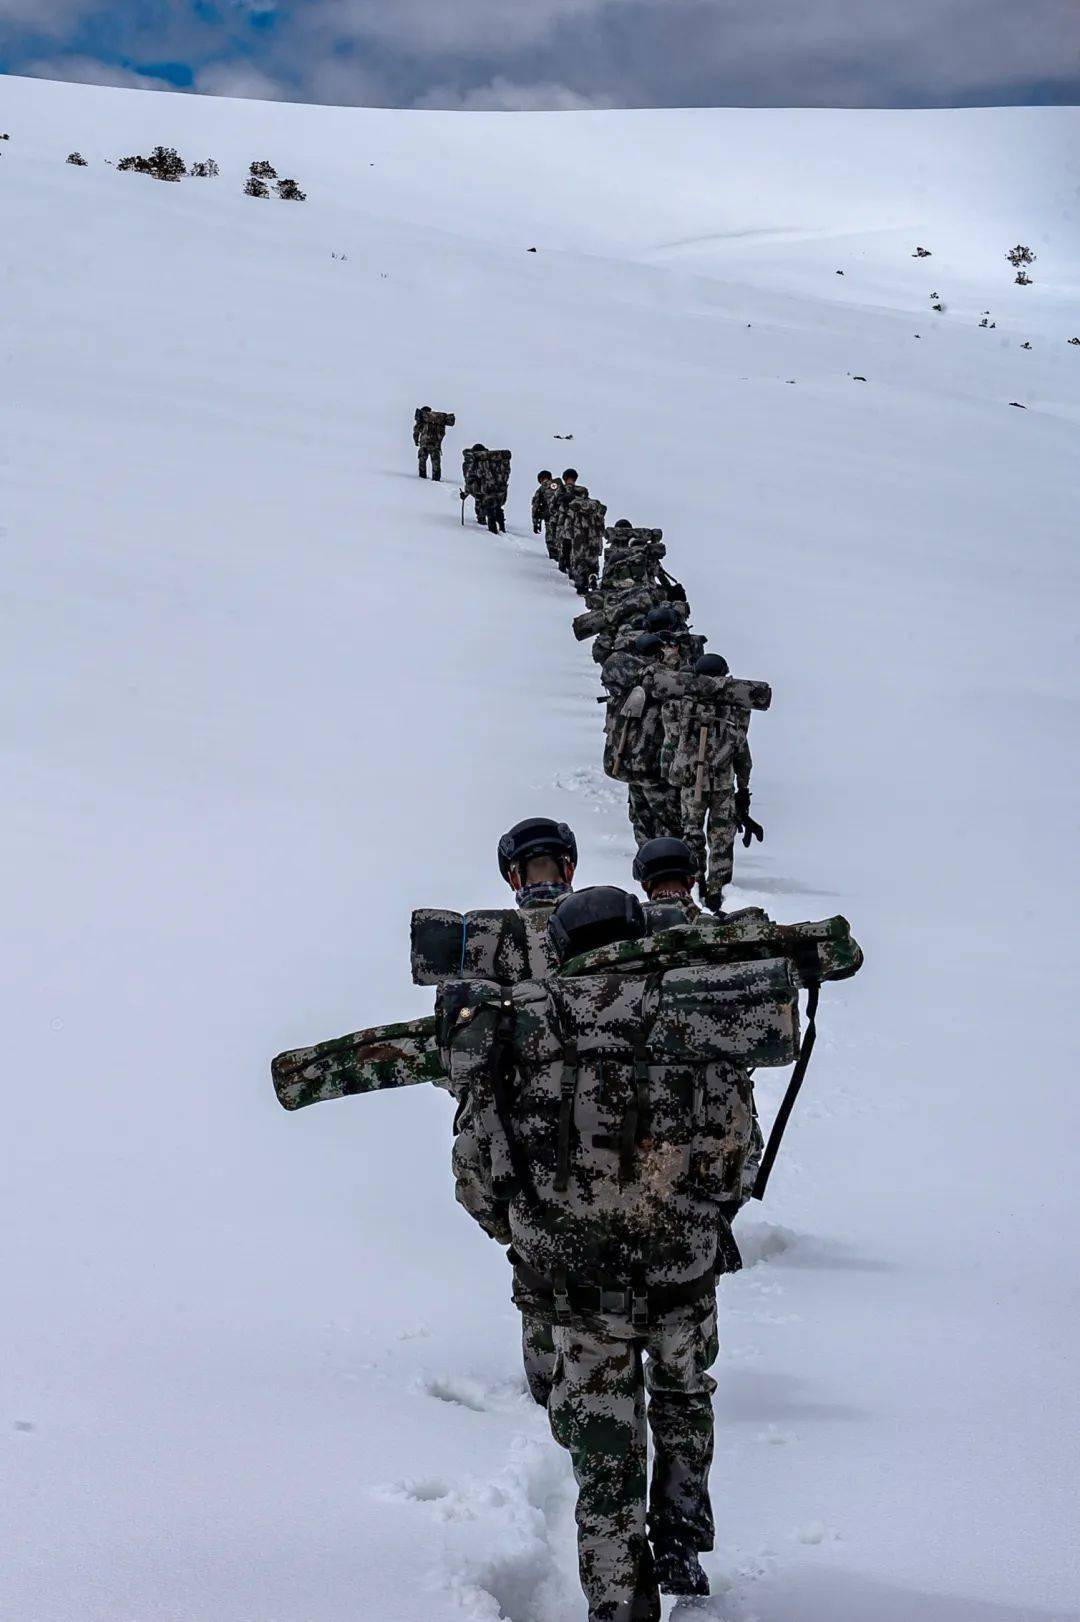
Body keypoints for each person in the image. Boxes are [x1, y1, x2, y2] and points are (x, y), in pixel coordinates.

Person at [451, 886, 755, 1619]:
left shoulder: (520, 1035)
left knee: (606, 1462)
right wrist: (698, 1223)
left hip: (574, 1289)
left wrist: (523, 1235)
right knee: (683, 1397)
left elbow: (476, 1169)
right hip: (681, 1278)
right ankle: (680, 1533)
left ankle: (619, 1603)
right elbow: (737, 1160)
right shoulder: (693, 1027)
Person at [659, 654, 758, 912]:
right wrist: (744, 787)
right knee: (721, 837)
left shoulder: (680, 707)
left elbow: (670, 740)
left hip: (691, 781)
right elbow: (742, 750)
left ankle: (694, 882)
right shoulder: (735, 707)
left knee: (691, 832)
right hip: (723, 784)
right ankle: (718, 890)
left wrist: (670, 772)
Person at [602, 631, 684, 849]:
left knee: (641, 822)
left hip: (628, 763)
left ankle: (646, 861)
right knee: (669, 825)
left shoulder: (625, 676)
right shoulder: (661, 681)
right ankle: (668, 869)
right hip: (655, 769)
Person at [413, 406, 455, 480]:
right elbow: (442, 433)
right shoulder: (438, 420)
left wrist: (416, 441)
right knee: (436, 463)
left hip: (424, 444)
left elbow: (416, 432)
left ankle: (422, 478)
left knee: (422, 461)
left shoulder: (422, 420)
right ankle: (436, 479)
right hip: (435, 445)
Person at [532, 470, 559, 554]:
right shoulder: (559, 485)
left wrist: (535, 523)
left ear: (540, 480)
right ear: (551, 477)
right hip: (562, 517)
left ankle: (553, 561)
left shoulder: (540, 489)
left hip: (549, 518)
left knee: (550, 540)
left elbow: (535, 508)